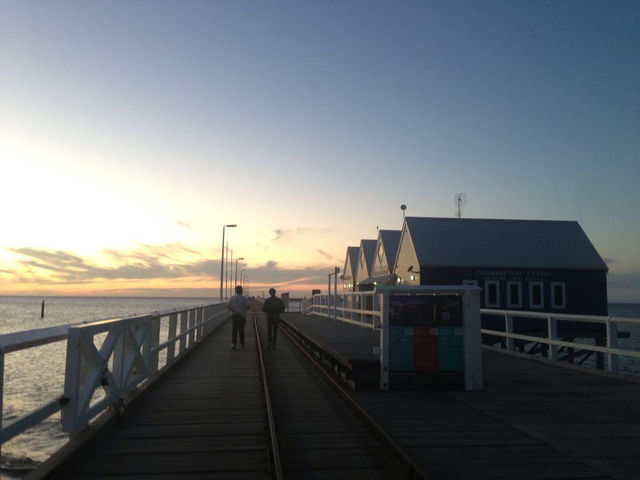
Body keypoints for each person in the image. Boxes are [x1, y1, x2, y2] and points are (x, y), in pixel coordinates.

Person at [227, 285, 250, 349]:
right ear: (242, 291)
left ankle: (233, 343)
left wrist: (233, 310)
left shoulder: (232, 298)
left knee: (234, 330)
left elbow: (228, 306)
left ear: (236, 291)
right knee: (241, 330)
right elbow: (248, 306)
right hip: (242, 316)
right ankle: (242, 343)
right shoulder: (244, 298)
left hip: (234, 315)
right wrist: (243, 309)